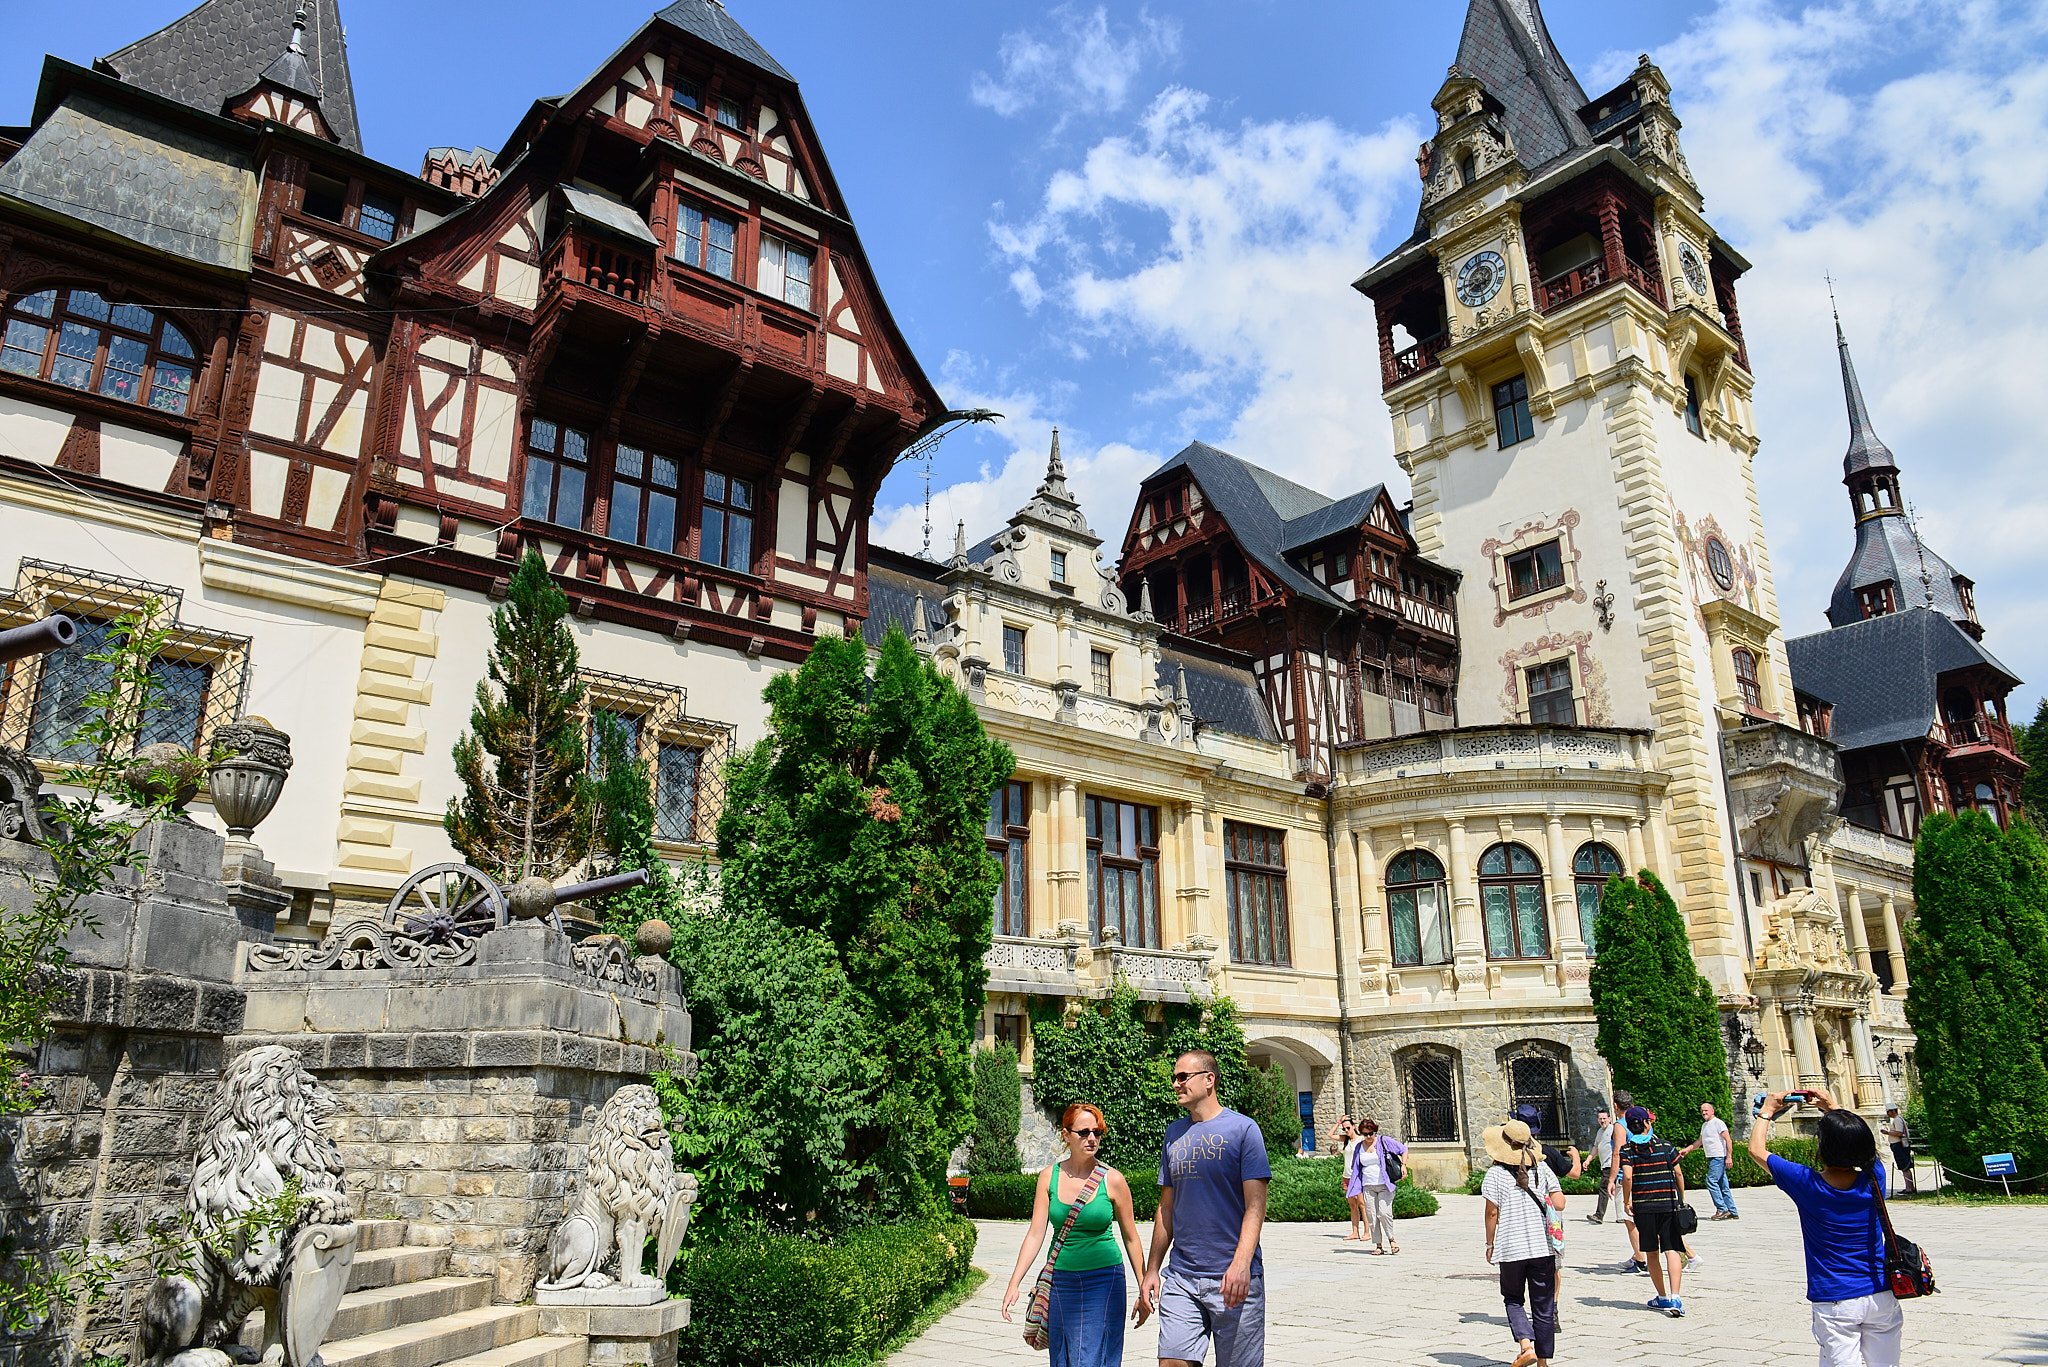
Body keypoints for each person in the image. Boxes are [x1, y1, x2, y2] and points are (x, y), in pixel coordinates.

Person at [1748, 1086, 1901, 1366]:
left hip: (1836, 1297)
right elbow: (1861, 1142)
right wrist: (1833, 1107)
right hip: (1881, 1293)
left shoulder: (1806, 1183)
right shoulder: (1874, 1177)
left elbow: (1757, 1150)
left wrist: (1767, 1111)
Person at [1140, 1050, 1271, 1367]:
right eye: (1174, 1077)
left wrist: (1241, 1264)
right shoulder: (1174, 1133)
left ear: (1209, 1079)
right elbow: (1166, 1207)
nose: (1175, 1084)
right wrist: (1152, 1269)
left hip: (1233, 1279)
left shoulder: (1244, 1130)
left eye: (1182, 1076)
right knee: (1172, 1362)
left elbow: (1256, 1205)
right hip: (1183, 1276)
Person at [1001, 1102, 1152, 1367]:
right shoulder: (1049, 1177)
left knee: (1093, 1356)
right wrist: (1014, 1283)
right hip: (1061, 1281)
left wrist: (1143, 1286)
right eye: (1084, 1132)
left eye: (1097, 1132)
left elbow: (1131, 1237)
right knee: (1063, 1356)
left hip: (1104, 1279)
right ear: (1066, 1135)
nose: (1092, 1138)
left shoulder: (1113, 1180)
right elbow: (1036, 1234)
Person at [1481, 1118, 1565, 1367]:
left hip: (1511, 1247)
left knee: (1514, 1299)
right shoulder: (1543, 1169)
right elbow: (1560, 1204)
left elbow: (1491, 1213)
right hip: (1543, 1247)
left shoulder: (1495, 1174)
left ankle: (1526, 1346)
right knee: (1543, 1304)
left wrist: (1489, 1244)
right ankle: (1543, 1362)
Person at [1618, 1104, 1688, 1317]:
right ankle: (1676, 1296)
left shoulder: (1627, 1150)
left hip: (1644, 1206)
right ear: (1647, 1124)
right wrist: (1681, 1199)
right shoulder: (1666, 1146)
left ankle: (1662, 1297)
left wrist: (1627, 1201)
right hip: (1667, 1203)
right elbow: (1678, 1174)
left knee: (1652, 1253)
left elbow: (1628, 1176)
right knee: (1672, 1249)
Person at [1348, 1118, 1406, 1255]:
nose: (1368, 1137)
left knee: (1385, 1213)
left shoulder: (1383, 1141)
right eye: (1365, 1134)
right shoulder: (1359, 1147)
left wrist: (1403, 1166)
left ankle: (1392, 1240)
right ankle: (1378, 1245)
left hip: (1384, 1184)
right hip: (1368, 1186)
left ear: (1375, 1131)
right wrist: (1354, 1186)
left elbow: (1403, 1149)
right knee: (1372, 1216)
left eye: (1371, 1133)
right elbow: (1356, 1167)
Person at [1604, 1092, 1647, 1273]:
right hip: (1644, 1172)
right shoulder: (1645, 1121)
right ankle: (1638, 1254)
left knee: (1629, 1220)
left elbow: (1617, 1154)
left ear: (1615, 1106)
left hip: (1626, 1175)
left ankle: (1641, 1260)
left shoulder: (1620, 1126)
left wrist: (1611, 1179)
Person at [1678, 1101, 1739, 1220]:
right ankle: (1732, 1210)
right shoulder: (1705, 1125)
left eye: (1706, 1110)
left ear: (1712, 1111)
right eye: (1702, 1111)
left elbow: (1728, 1140)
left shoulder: (1718, 1123)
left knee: (1711, 1181)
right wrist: (1687, 1150)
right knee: (1723, 1185)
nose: (1704, 1113)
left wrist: (1729, 1156)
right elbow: (1699, 1142)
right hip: (1712, 1158)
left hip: (1718, 1157)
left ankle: (1722, 1209)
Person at [1331, 1118, 1367, 1240]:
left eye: (1348, 1128)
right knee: (1352, 1205)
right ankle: (1355, 1232)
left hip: (1357, 1176)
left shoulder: (1361, 1140)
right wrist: (1339, 1122)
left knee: (1362, 1204)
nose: (1346, 1131)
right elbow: (1330, 1134)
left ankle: (1367, 1231)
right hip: (1346, 1176)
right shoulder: (1346, 1140)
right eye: (1344, 1129)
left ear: (1353, 1126)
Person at [1587, 1108, 1615, 1224]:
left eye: (1604, 1118)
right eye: (1600, 1119)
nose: (1602, 1121)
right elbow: (1596, 1147)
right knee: (1617, 1189)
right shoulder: (1600, 1132)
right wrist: (1588, 1159)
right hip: (1605, 1165)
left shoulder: (1613, 1130)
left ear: (1609, 1119)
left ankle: (1599, 1215)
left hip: (1611, 1164)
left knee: (1603, 1188)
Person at [1882, 1106, 1915, 1193]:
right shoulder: (1897, 1119)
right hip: (1898, 1145)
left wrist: (1887, 1133)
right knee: (1905, 1167)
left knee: (1904, 1167)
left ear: (1893, 1111)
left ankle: (1909, 1188)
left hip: (1899, 1145)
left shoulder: (1897, 1120)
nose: (1887, 1114)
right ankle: (1910, 1187)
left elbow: (1899, 1133)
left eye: (1888, 1111)